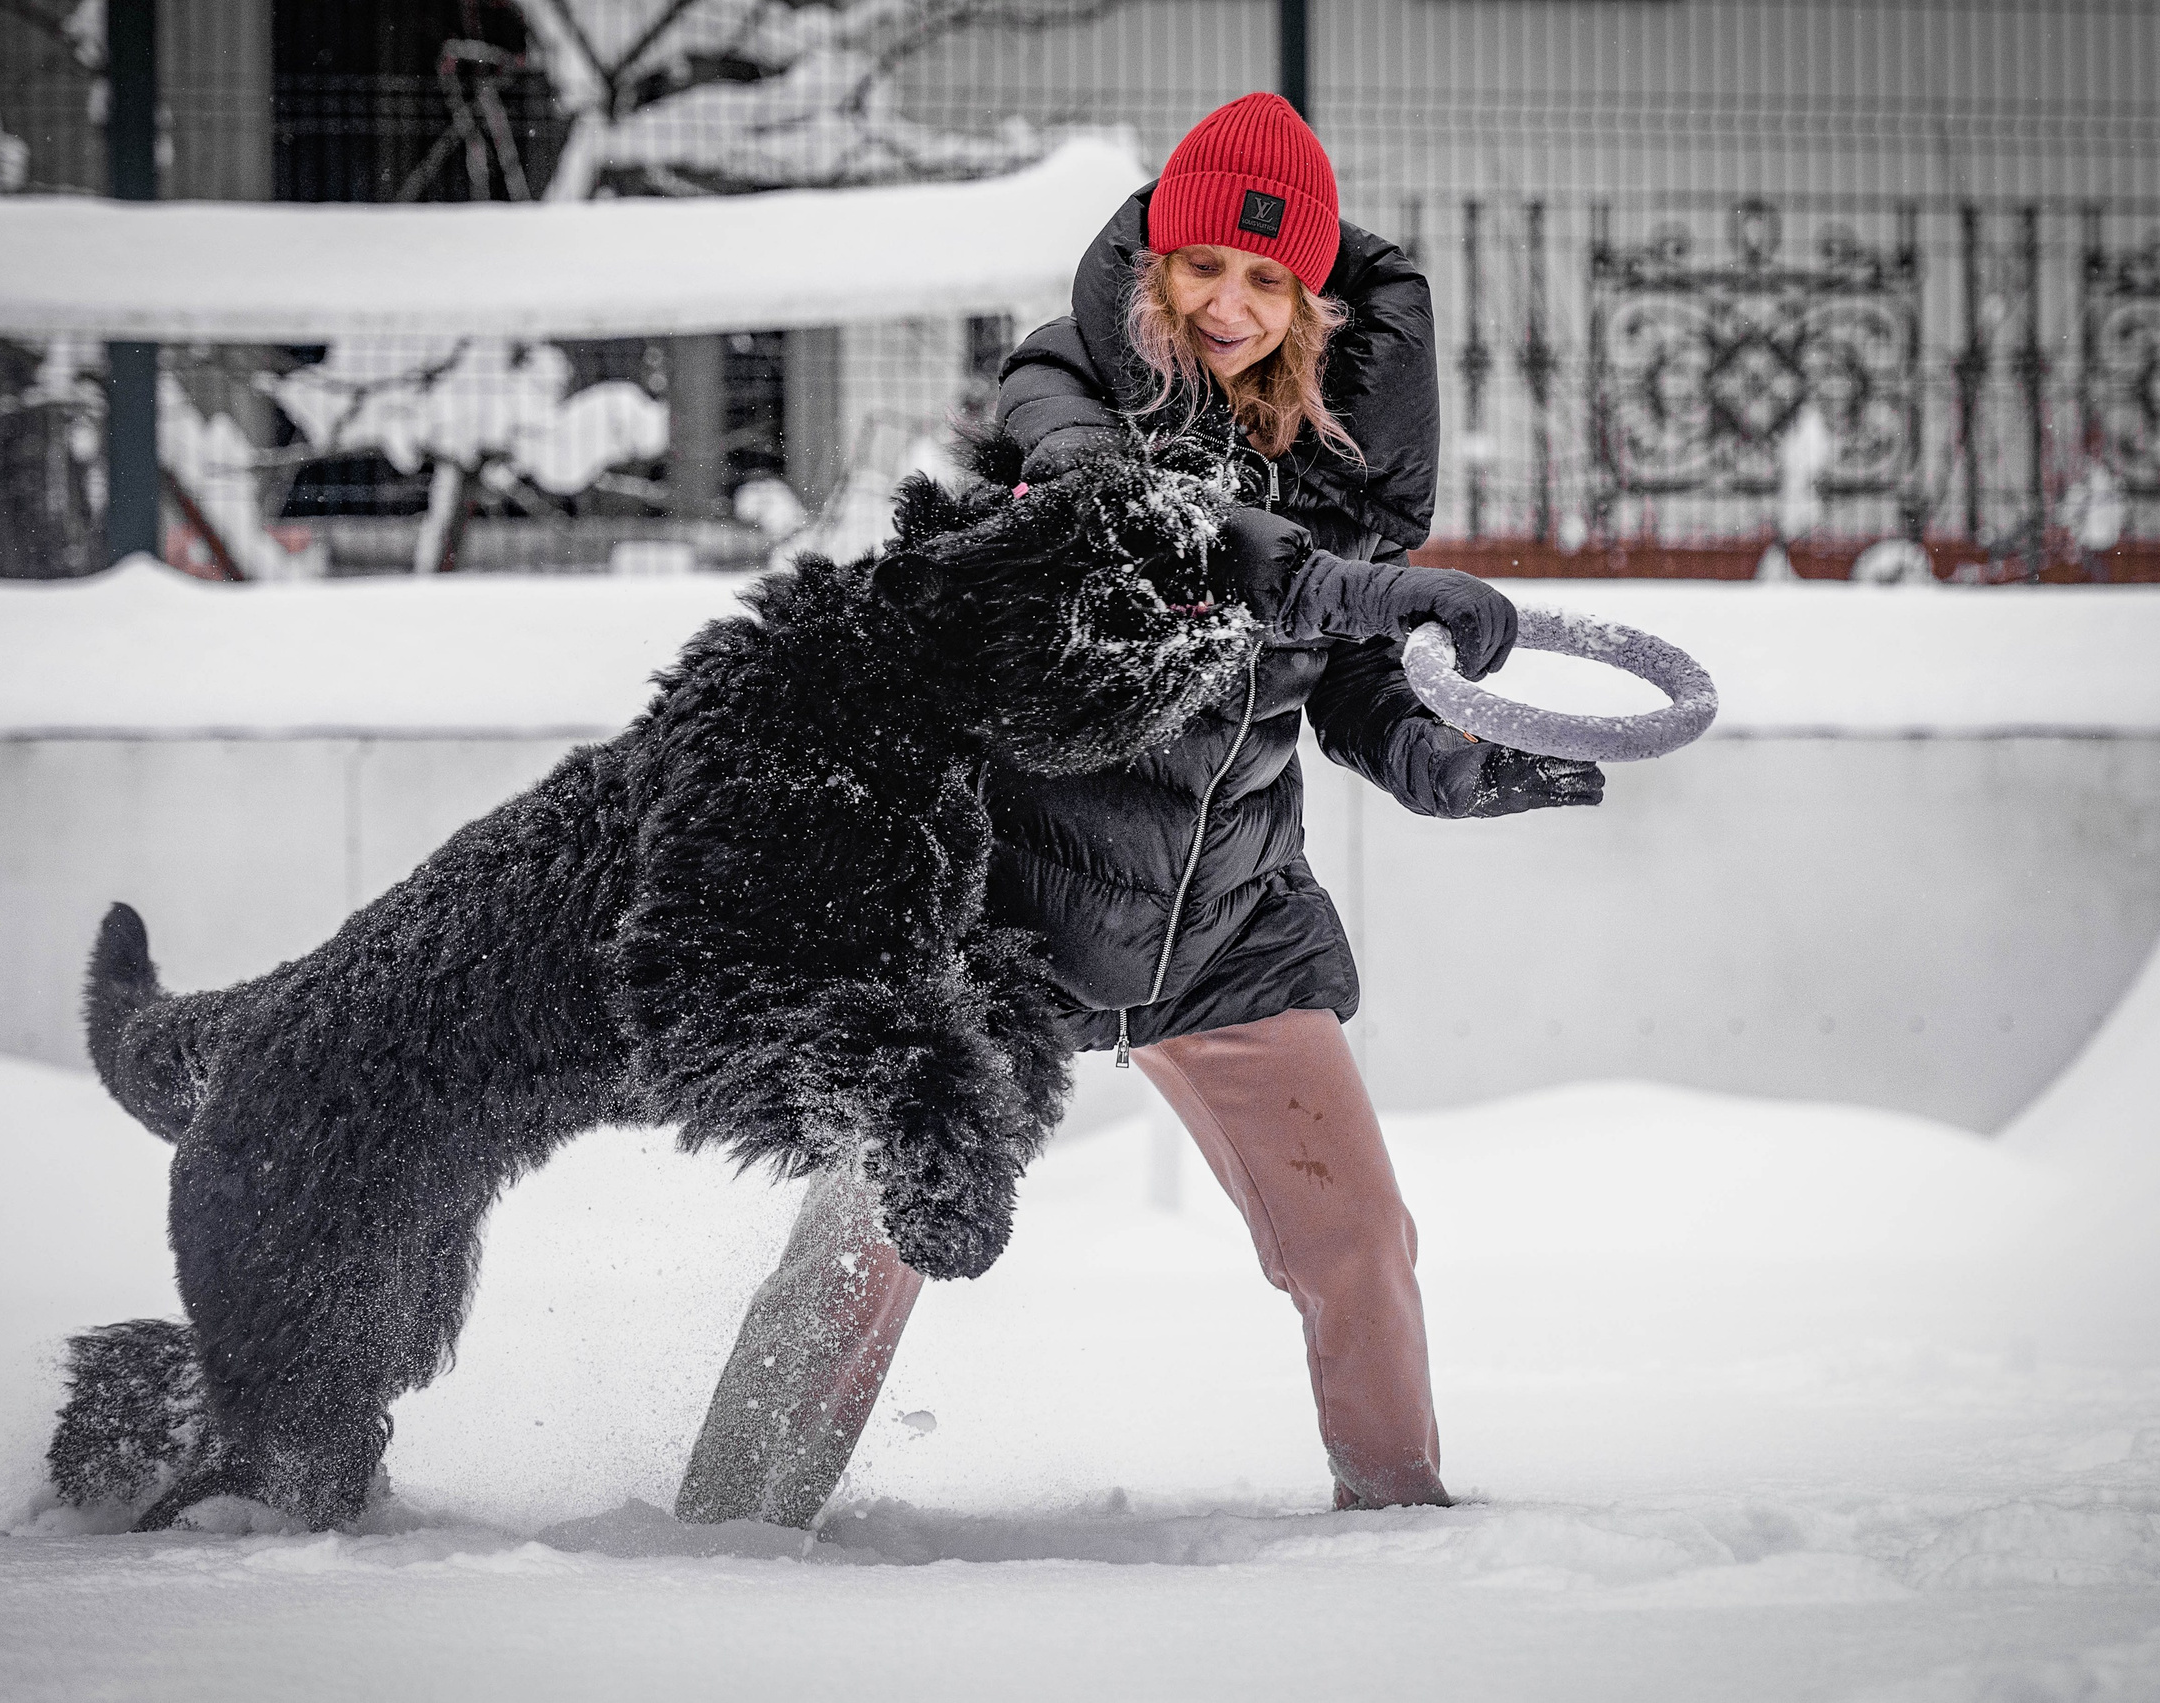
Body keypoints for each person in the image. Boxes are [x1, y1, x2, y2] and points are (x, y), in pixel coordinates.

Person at [675, 92, 1603, 1528]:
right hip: (1012, 912)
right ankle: (732, 1526)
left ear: (1310, 301)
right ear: (1153, 267)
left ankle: (1404, 1525)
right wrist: (1349, 583)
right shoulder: (1065, 396)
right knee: (867, 1242)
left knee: (1356, 1237)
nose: (1228, 303)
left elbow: (1344, 679)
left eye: (1265, 278)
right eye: (1201, 269)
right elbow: (1138, 527)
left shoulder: (1337, 465)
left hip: (1222, 917)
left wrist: (1449, 762)